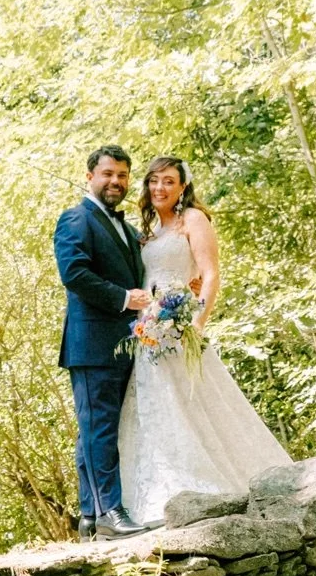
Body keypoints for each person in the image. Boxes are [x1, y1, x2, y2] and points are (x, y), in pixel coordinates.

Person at [118, 155, 290, 525]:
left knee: (194, 403)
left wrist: (196, 323)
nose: (159, 188)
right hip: (147, 330)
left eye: (168, 181)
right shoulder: (146, 232)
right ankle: (155, 494)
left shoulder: (193, 220)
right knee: (154, 405)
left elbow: (210, 275)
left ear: (182, 187)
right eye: (154, 181)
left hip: (180, 326)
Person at [54, 145, 150, 538]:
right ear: (90, 176)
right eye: (108, 174)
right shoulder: (75, 219)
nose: (116, 182)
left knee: (97, 429)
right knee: (99, 429)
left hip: (127, 344)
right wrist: (125, 298)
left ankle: (91, 516)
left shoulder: (127, 230)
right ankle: (110, 510)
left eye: (123, 175)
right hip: (92, 343)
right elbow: (74, 274)